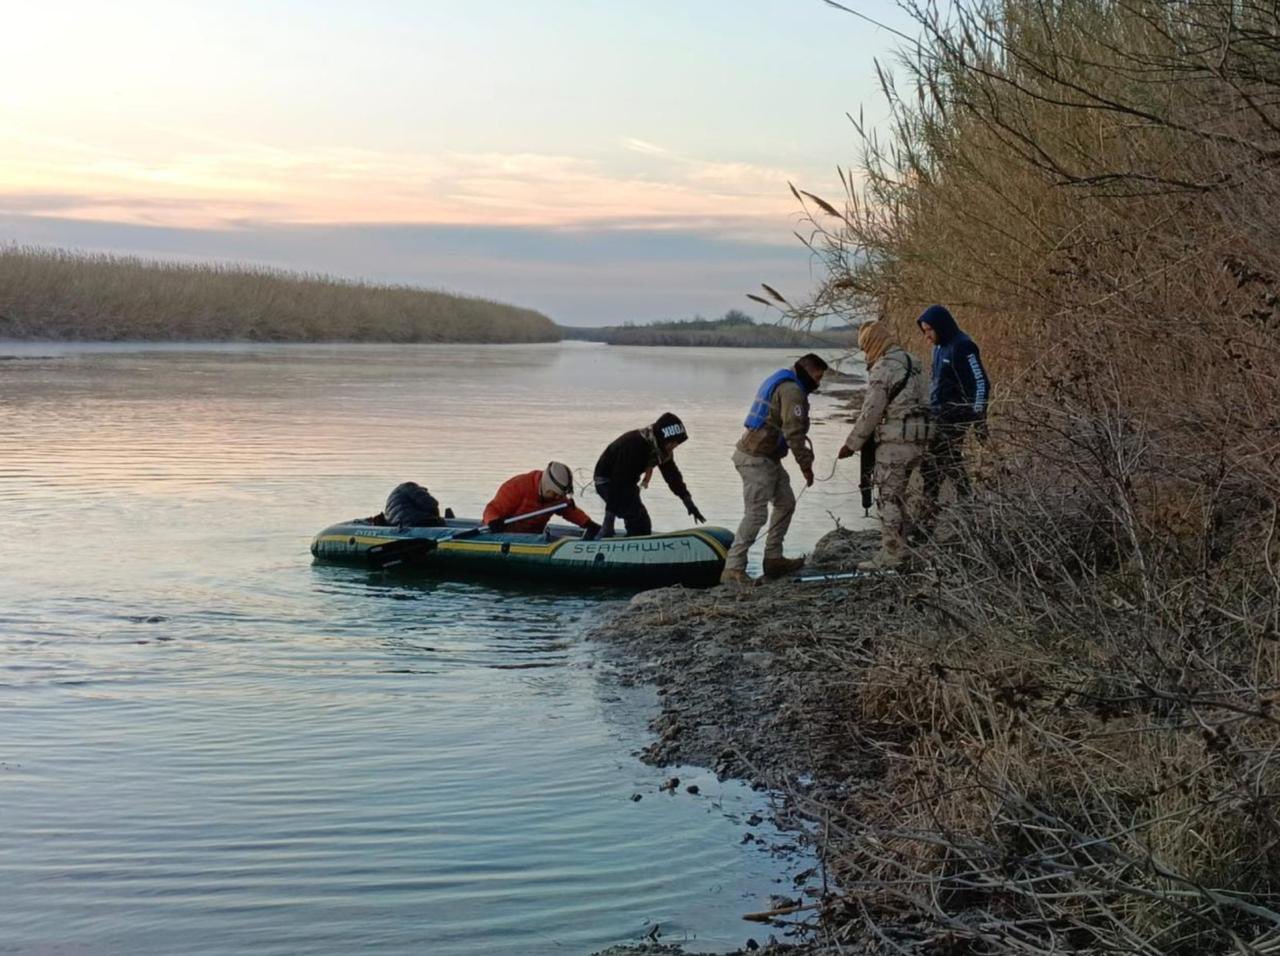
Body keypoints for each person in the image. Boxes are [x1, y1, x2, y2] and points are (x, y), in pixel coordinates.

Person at [720, 352, 828, 585]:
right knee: (756, 514)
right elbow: (794, 434)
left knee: (786, 502)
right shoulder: (792, 391)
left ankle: (773, 558)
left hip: (767, 459)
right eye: (818, 377)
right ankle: (733, 568)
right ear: (807, 371)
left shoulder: (788, 381)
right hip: (755, 459)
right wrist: (806, 467)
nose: (818, 383)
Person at [836, 322, 930, 569]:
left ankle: (892, 554)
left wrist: (851, 444)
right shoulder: (916, 362)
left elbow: (871, 412)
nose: (865, 351)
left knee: (889, 498)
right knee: (912, 498)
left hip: (894, 443)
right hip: (922, 440)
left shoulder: (883, 368)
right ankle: (910, 549)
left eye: (865, 346)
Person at [916, 304, 990, 518]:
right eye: (924, 331)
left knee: (939, 462)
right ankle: (961, 506)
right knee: (945, 461)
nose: (927, 336)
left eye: (929, 330)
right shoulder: (938, 347)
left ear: (942, 326)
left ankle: (931, 514)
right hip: (938, 416)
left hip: (957, 416)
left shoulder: (964, 346)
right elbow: (937, 383)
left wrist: (978, 418)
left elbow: (981, 383)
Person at [593, 412, 705, 537]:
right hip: (608, 481)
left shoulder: (662, 450)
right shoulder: (635, 444)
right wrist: (608, 520)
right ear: (662, 439)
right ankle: (607, 537)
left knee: (641, 522)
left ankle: (632, 540)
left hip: (628, 482)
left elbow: (672, 476)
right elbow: (619, 482)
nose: (674, 446)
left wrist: (687, 501)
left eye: (677, 443)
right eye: (672, 442)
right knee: (636, 517)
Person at [483, 462, 601, 538]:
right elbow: (492, 508)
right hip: (505, 535)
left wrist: (588, 524)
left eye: (559, 496)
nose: (556, 498)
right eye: (554, 494)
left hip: (533, 537)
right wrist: (493, 521)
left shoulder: (557, 497)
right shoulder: (517, 487)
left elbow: (569, 510)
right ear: (546, 487)